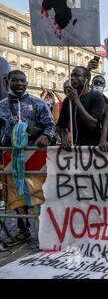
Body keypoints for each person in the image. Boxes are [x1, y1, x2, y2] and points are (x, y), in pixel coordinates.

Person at [0, 70, 56, 247]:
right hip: (10, 158)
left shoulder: (38, 103)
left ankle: (43, 232)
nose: (19, 84)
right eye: (14, 80)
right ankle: (23, 231)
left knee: (38, 195)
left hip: (35, 159)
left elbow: (50, 125)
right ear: (7, 82)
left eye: (22, 81)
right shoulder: (1, 106)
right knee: (16, 196)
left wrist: (46, 136)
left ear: (26, 82)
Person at [57, 66, 108, 150]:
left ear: (87, 79)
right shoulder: (68, 100)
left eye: (77, 75)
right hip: (76, 148)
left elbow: (93, 125)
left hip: (94, 149)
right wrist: (64, 140)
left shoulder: (96, 97)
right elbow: (61, 125)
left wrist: (77, 101)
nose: (72, 78)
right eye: (71, 76)